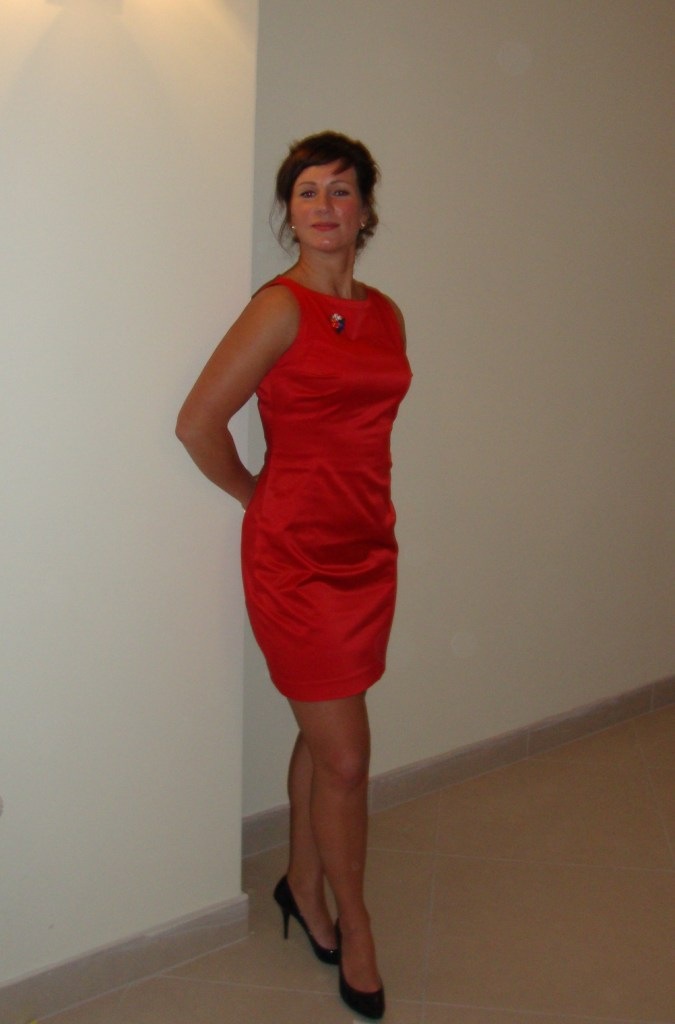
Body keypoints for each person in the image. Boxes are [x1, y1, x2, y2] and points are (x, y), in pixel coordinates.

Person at [176, 131, 411, 1020]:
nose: (322, 205)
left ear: (364, 211)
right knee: (346, 757)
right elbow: (198, 423)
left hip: (368, 547)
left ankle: (301, 885)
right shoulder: (279, 309)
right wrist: (257, 496)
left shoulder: (386, 314)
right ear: (289, 212)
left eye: (340, 190)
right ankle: (356, 923)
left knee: (325, 739)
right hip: (298, 561)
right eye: (306, 191)